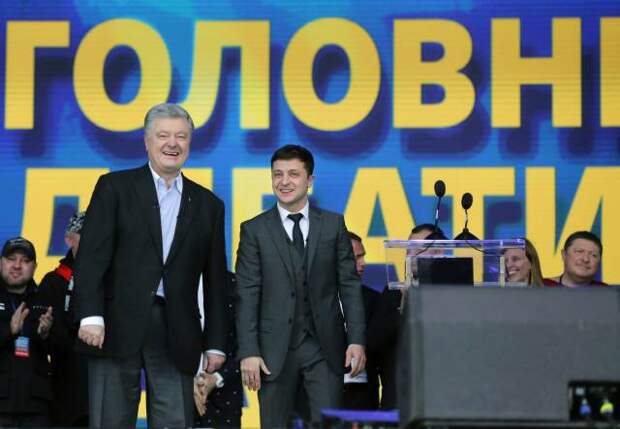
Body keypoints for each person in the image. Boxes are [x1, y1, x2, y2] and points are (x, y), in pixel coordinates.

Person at [72, 103, 229, 429]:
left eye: (181, 136)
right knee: (110, 420)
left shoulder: (209, 205)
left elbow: (216, 281)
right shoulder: (114, 188)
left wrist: (215, 342)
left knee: (175, 421)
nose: (172, 143)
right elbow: (91, 257)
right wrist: (90, 315)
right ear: (146, 141)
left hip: (177, 331)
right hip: (114, 326)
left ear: (190, 143)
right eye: (163, 135)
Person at [235, 144, 366, 427]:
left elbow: (349, 286)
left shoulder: (332, 225)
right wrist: (249, 351)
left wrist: (356, 339)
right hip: (272, 350)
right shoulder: (254, 230)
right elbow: (247, 294)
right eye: (278, 174)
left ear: (310, 181)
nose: (284, 181)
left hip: (324, 347)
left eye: (293, 174)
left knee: (329, 423)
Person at [367, 224, 446, 410]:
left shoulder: (456, 295)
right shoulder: (393, 293)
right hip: (399, 401)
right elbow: (373, 343)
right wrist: (403, 307)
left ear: (439, 251)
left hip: (444, 400)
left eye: (418, 248)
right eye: (408, 248)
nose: (411, 254)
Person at [38, 212, 89, 427]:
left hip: (105, 390)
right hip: (66, 392)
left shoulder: (117, 280)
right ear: (69, 239)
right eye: (85, 234)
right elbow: (47, 342)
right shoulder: (53, 282)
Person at [0, 237, 54, 427]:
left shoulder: (46, 299)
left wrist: (46, 335)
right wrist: (9, 330)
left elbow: (65, 352)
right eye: (11, 259)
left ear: (35, 267)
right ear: (1, 262)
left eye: (25, 261)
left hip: (36, 407)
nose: (17, 265)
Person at [194, 272, 243, 428]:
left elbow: (248, 345)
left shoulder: (235, 284)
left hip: (225, 398)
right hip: (178, 395)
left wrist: (216, 378)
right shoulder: (170, 281)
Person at [342, 232, 380, 410]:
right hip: (322, 393)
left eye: (363, 256)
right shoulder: (313, 300)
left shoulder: (374, 299)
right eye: (357, 257)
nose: (363, 263)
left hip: (362, 396)